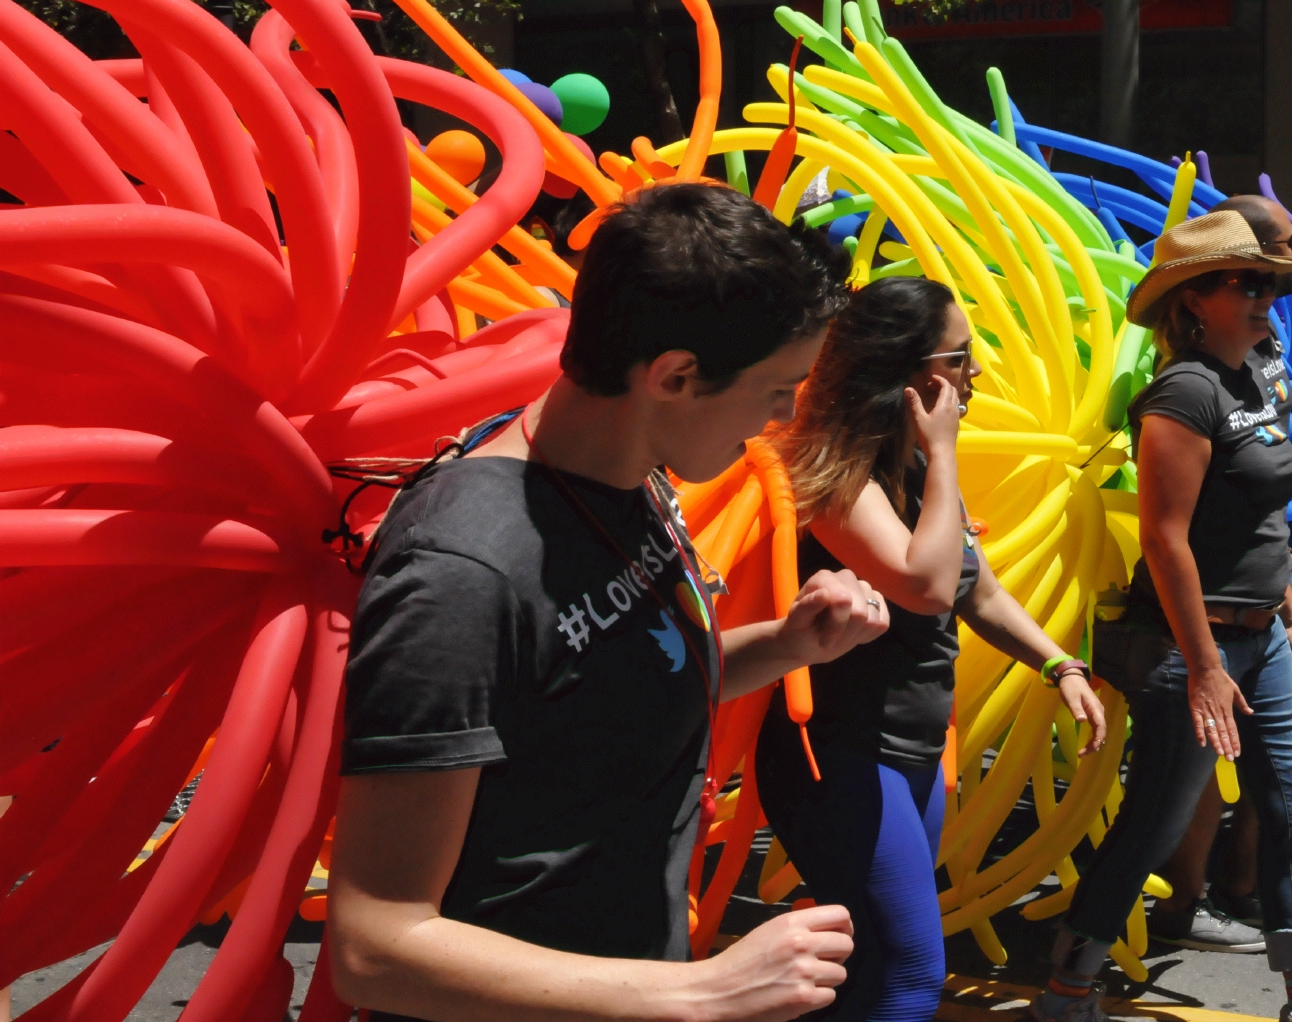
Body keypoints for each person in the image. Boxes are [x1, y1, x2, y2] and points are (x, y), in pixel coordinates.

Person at [330, 183, 895, 1022]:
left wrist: (786, 643)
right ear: (673, 375)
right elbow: (373, 946)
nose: (786, 415)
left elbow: (606, 684)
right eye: (778, 387)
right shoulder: (460, 571)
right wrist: (703, 991)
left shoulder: (626, 478)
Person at [1032, 211, 1292, 1022]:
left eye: (1271, 283)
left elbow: (1260, 515)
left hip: (1261, 637)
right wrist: (1200, 669)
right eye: (1247, 283)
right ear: (1193, 301)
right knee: (1154, 825)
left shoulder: (1250, 378)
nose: (1268, 296)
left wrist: (1288, 601)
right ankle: (1067, 988)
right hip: (1195, 647)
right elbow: (1164, 539)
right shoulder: (1184, 392)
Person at [757, 277, 1108, 1022]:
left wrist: (1058, 663)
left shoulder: (907, 468)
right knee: (909, 975)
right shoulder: (836, 472)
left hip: (907, 753)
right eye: (962, 357)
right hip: (841, 755)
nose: (974, 374)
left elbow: (975, 590)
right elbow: (924, 584)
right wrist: (944, 453)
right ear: (911, 372)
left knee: (863, 970)